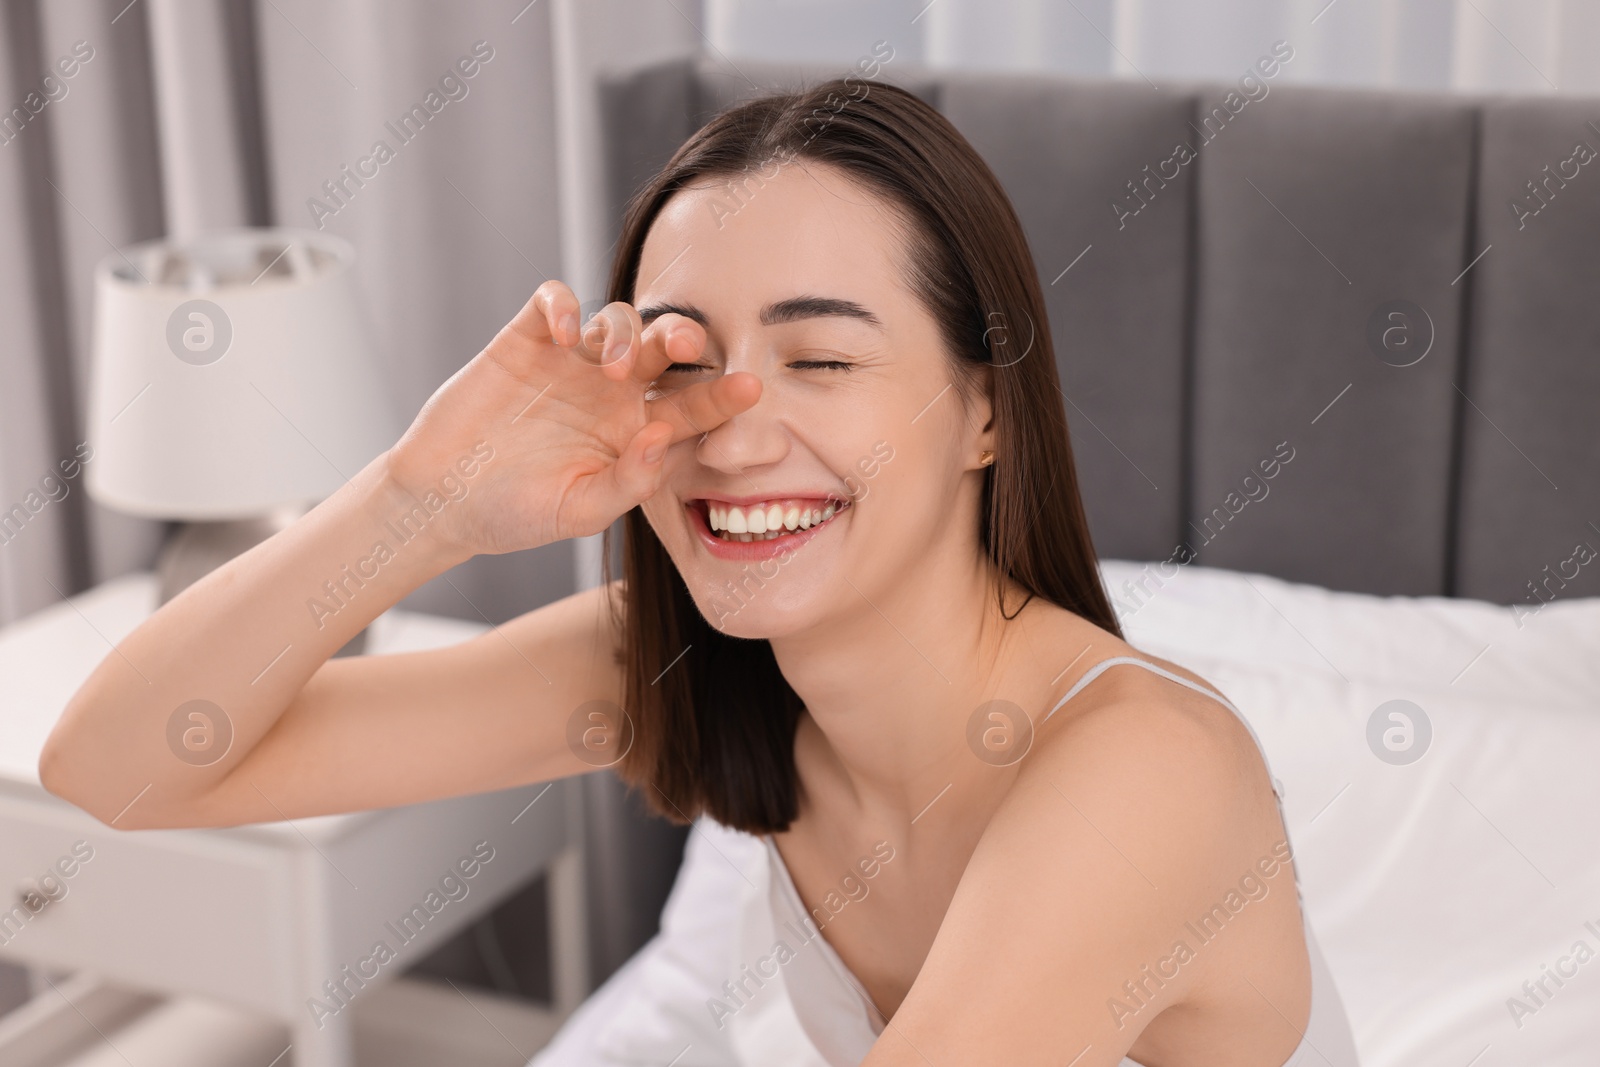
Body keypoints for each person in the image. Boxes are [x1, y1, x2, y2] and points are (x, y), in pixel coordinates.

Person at [40, 77, 1358, 1066]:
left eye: (824, 360)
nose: (734, 425)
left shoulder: (1145, 770)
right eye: (681, 363)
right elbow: (115, 765)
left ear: (987, 413)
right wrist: (418, 503)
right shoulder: (670, 665)